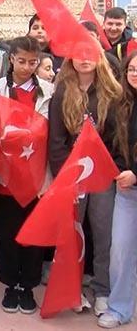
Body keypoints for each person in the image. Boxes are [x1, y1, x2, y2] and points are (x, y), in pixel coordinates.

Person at [49, 54, 121, 316]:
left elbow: (117, 136)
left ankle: (102, 289)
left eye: (89, 53)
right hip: (73, 175)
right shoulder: (62, 93)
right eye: (78, 54)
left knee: (104, 234)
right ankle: (72, 289)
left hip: (102, 174)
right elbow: (56, 142)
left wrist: (112, 168)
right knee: (72, 234)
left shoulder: (111, 92)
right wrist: (64, 178)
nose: (84, 60)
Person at [0, 36, 54, 315]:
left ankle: (28, 286)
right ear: (11, 58)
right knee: (8, 233)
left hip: (37, 177)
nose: (27, 67)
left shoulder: (49, 91)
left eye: (32, 62)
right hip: (7, 177)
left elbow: (53, 136)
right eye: (22, 61)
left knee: (33, 233)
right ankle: (10, 284)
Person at [100, 51, 137, 328]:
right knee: (120, 250)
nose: (135, 74)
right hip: (127, 192)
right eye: (132, 69)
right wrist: (117, 170)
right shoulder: (119, 105)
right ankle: (119, 307)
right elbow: (108, 144)